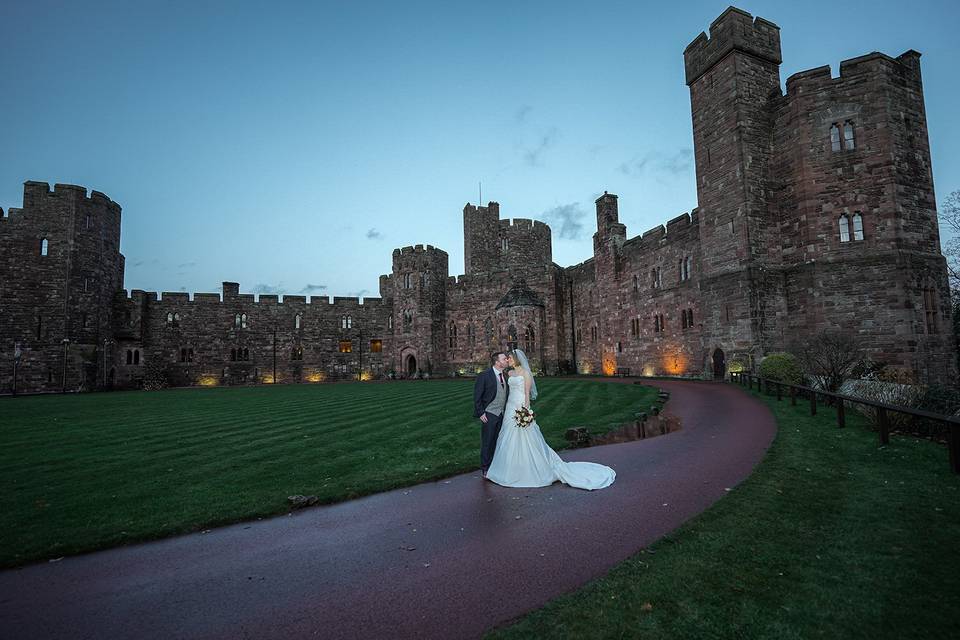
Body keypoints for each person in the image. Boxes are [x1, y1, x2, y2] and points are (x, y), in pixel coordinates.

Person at [485, 349, 615, 490]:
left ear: (516, 359)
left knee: (526, 437)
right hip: (510, 406)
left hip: (520, 405)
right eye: (507, 359)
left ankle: (530, 470)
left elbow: (527, 395)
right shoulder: (509, 373)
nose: (508, 360)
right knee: (507, 437)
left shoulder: (526, 374)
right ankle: (508, 469)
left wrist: (525, 411)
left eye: (510, 358)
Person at [473, 351, 510, 478]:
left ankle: (496, 466)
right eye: (504, 359)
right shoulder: (484, 375)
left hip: (502, 414)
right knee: (488, 442)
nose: (507, 360)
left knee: (498, 442)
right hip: (489, 413)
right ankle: (486, 468)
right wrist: (481, 412)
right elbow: (477, 396)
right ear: (497, 362)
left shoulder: (505, 376)